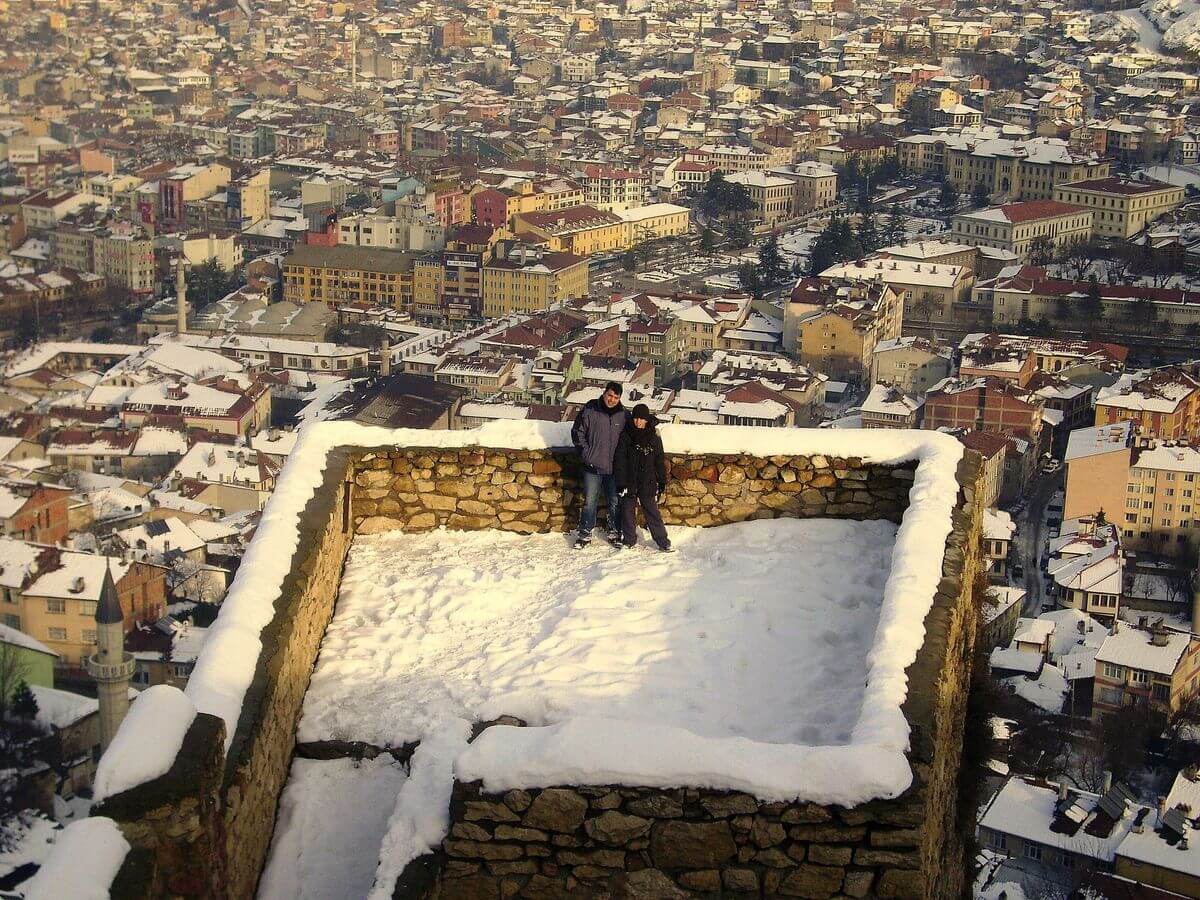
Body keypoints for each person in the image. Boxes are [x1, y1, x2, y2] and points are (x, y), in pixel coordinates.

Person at [571, 381, 627, 548]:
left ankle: (614, 531)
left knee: (614, 500)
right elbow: (577, 432)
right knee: (589, 501)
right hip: (593, 467)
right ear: (604, 393)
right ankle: (585, 533)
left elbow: (633, 433)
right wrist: (587, 455)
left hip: (614, 468)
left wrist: (652, 429)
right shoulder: (591, 410)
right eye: (610, 395)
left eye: (616, 397)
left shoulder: (624, 415)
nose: (612, 399)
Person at [613, 403, 672, 552]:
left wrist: (662, 481)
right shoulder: (626, 435)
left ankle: (662, 541)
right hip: (629, 480)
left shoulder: (654, 437)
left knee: (652, 511)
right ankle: (629, 540)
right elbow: (620, 460)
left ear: (647, 420)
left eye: (642, 419)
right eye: (636, 418)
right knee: (627, 511)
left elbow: (659, 460)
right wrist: (621, 483)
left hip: (647, 480)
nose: (638, 422)